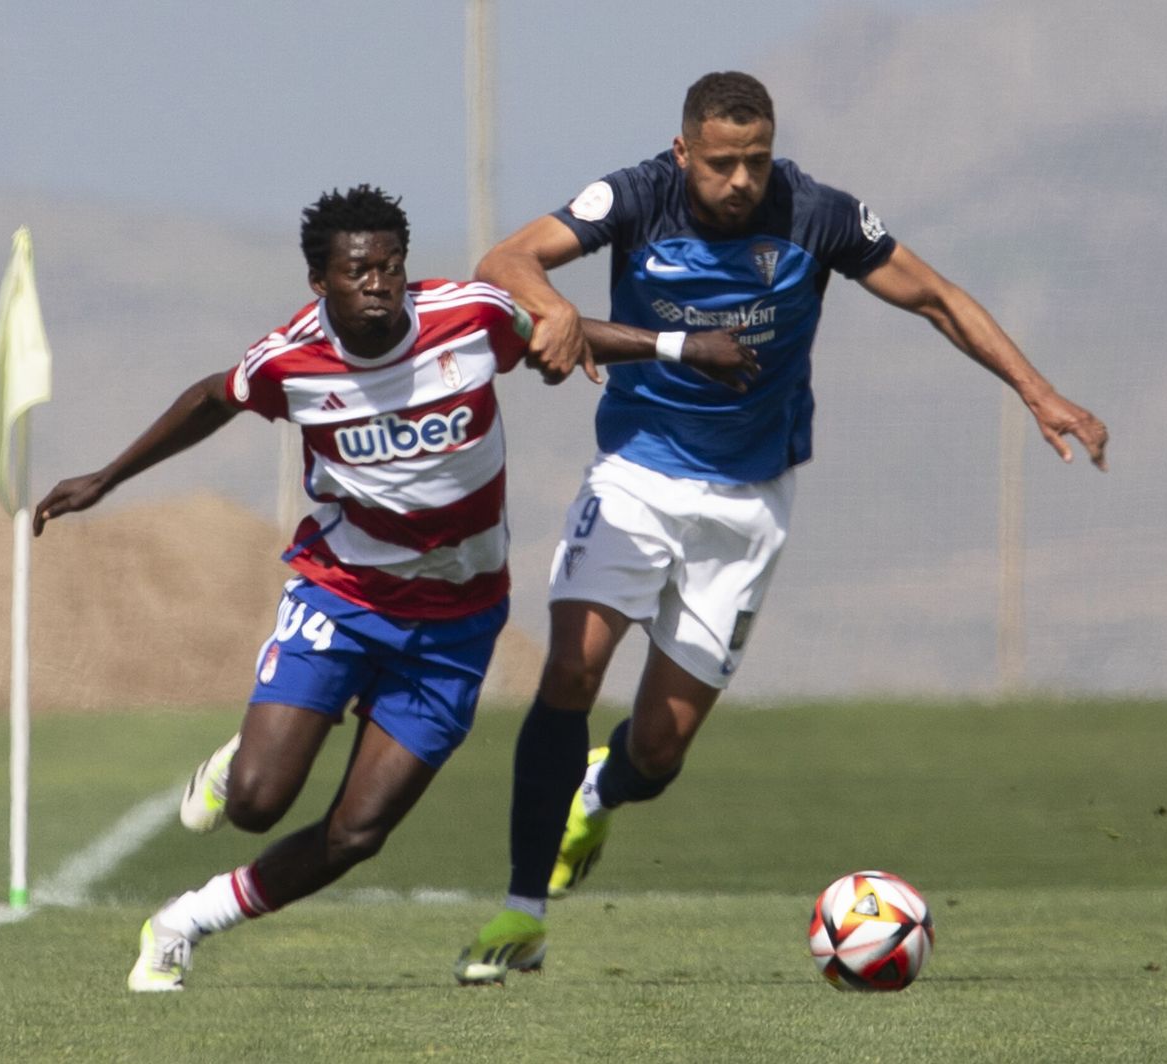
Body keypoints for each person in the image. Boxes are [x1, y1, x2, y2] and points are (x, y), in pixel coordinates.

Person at [453, 71, 1109, 984]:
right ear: (685, 152)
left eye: (755, 161)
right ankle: (522, 915)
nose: (741, 181)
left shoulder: (817, 213)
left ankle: (597, 792)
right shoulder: (636, 195)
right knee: (570, 667)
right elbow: (506, 258)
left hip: (751, 501)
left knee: (660, 749)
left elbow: (937, 297)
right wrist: (556, 305)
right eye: (722, 164)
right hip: (638, 474)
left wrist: (1038, 392)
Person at [33, 185, 756, 992]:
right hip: (344, 600)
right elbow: (211, 398)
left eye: (391, 266)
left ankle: (183, 923)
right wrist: (106, 476)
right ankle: (244, 763)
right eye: (357, 271)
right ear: (321, 283)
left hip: (457, 623)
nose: (378, 282)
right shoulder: (290, 361)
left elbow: (560, 328)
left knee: (358, 832)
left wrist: (684, 349)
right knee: (259, 804)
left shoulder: (470, 317)